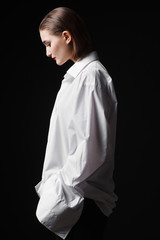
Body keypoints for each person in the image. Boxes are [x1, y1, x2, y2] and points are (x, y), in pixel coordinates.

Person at [35, 7, 118, 240]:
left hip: (82, 202)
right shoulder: (77, 77)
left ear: (67, 36)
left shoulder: (91, 77)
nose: (47, 52)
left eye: (48, 43)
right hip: (76, 201)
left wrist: (59, 187)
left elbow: (92, 149)